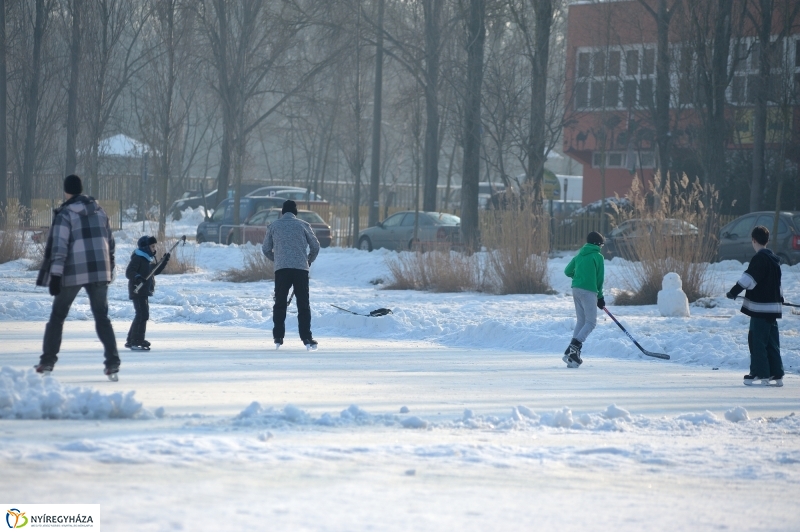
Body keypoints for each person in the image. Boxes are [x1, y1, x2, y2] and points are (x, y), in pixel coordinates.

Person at [35, 174, 120, 379]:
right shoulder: (100, 211)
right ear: (81, 190)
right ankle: (113, 362)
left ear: (66, 191)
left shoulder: (66, 214)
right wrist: (110, 267)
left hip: (74, 270)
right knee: (102, 317)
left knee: (57, 316)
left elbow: (59, 247)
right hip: (100, 269)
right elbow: (110, 242)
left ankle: (47, 361)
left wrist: (55, 276)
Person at [726, 225, 784, 387]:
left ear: (754, 240)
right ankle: (776, 374)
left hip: (761, 309)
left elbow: (749, 279)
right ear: (767, 241)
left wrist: (733, 291)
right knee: (772, 342)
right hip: (773, 309)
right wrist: (779, 299)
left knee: (757, 340)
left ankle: (760, 373)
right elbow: (778, 286)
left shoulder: (760, 259)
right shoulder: (774, 260)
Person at [262, 200, 320, 350]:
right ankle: (306, 337)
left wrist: (278, 259)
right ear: (295, 212)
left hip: (282, 270)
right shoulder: (303, 225)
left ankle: (278, 337)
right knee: (303, 304)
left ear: (282, 212)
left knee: (280, 302)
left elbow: (266, 248)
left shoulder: (273, 226)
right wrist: (308, 260)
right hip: (301, 269)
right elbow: (316, 246)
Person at [563, 231, 606, 368]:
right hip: (589, 292)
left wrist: (579, 277)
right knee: (591, 323)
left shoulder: (579, 255)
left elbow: (567, 271)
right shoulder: (598, 257)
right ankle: (573, 348)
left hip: (576, 290)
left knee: (581, 321)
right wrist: (600, 297)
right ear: (598, 244)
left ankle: (571, 354)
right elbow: (599, 279)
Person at [125, 235, 170, 350]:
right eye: (152, 246)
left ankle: (131, 339)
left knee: (140, 314)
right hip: (137, 290)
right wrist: (138, 277)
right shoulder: (138, 258)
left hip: (143, 291)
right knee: (142, 315)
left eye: (155, 246)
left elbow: (155, 271)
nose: (154, 249)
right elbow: (129, 272)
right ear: (145, 247)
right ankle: (136, 340)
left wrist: (163, 261)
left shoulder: (147, 259)